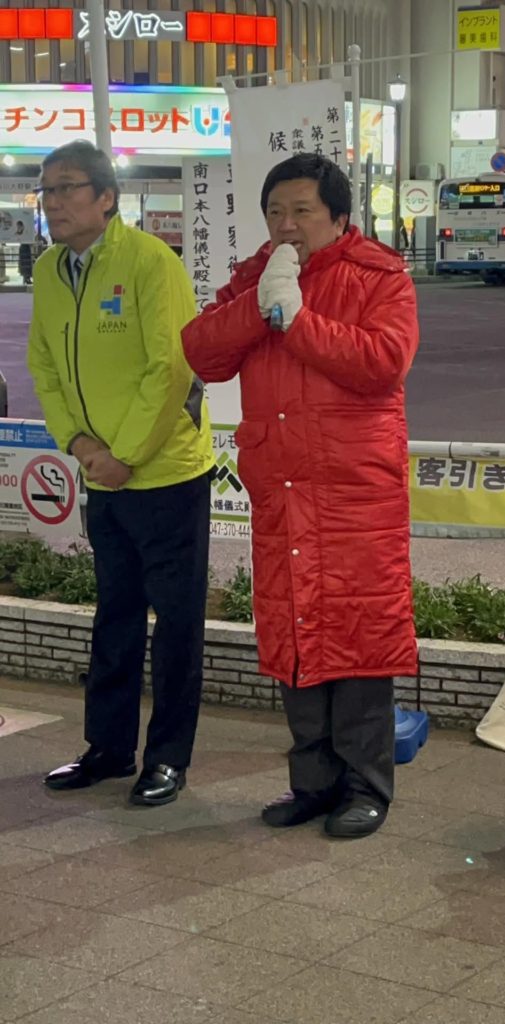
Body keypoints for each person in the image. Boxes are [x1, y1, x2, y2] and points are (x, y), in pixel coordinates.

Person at [182, 153, 419, 839]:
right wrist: (261, 304)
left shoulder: (380, 275)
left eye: (302, 212)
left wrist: (296, 319)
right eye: (275, 212)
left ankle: (366, 787)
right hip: (281, 492)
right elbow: (202, 352)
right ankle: (312, 785)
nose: (286, 225)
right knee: (294, 634)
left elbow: (382, 364)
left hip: (354, 496)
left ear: (339, 217)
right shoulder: (255, 277)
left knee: (360, 635)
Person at [27, 140, 215, 806]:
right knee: (115, 617)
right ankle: (107, 748)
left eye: (67, 188)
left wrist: (125, 454)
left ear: (106, 197)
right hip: (100, 475)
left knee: (177, 626)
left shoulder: (149, 261)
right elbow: (44, 365)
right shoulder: (49, 269)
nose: (53, 203)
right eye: (46, 190)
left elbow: (171, 368)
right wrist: (80, 444)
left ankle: (167, 759)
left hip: (166, 477)